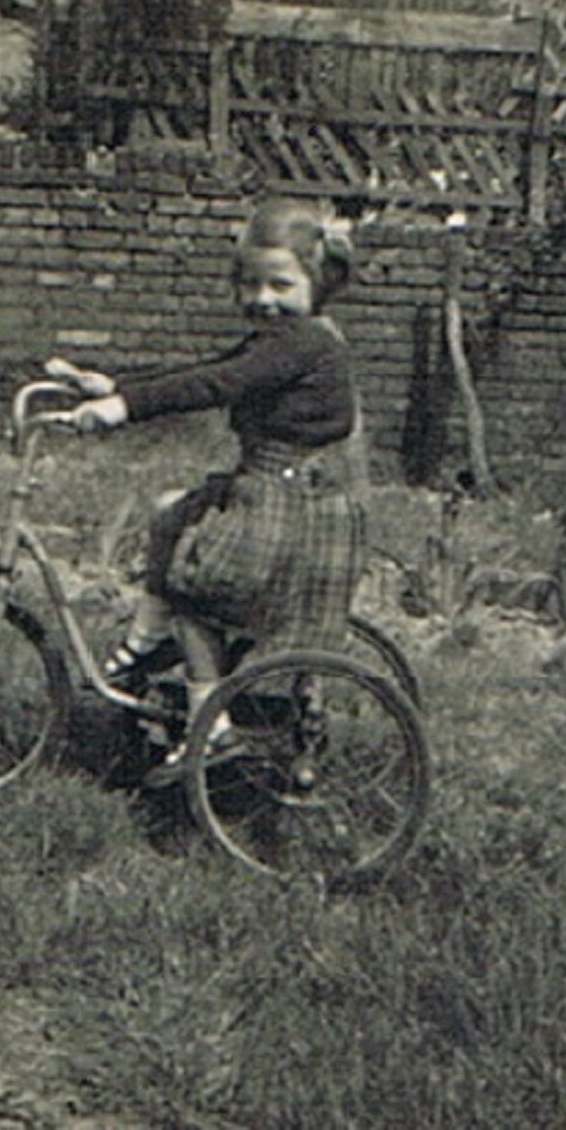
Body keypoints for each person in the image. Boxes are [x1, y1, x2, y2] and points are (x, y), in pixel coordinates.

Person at [45, 197, 365, 771]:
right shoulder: (286, 341)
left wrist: (123, 408)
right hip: (274, 490)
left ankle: (208, 726)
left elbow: (220, 383)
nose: (263, 300)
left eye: (280, 285)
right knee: (170, 512)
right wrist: (115, 386)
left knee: (195, 591)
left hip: (287, 503)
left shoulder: (305, 342)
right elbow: (206, 371)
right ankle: (145, 642)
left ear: (317, 283)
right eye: (250, 285)